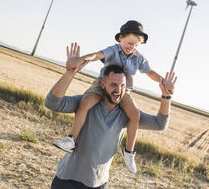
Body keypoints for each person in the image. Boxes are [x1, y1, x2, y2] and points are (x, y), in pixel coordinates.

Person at [45, 43, 176, 188]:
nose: (118, 90)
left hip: (99, 184)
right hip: (67, 181)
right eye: (114, 85)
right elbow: (52, 103)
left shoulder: (126, 114)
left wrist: (166, 96)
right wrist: (70, 72)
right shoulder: (86, 103)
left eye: (122, 86)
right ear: (102, 84)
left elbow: (160, 124)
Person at [53, 20, 165, 173]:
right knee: (85, 102)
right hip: (102, 85)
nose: (132, 47)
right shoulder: (112, 50)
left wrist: (162, 81)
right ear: (120, 38)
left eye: (136, 45)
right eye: (129, 43)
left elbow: (149, 72)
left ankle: (128, 152)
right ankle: (71, 139)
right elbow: (96, 55)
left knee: (135, 115)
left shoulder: (138, 57)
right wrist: (80, 60)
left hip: (124, 91)